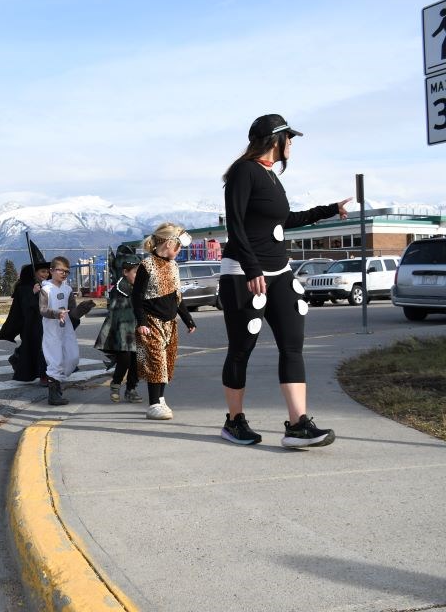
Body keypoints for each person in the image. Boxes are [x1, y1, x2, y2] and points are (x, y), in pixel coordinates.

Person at [219, 113, 351, 448]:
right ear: (274, 139)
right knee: (241, 348)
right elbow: (235, 225)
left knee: (292, 345)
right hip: (244, 275)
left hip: (280, 273)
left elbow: (285, 219)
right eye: (289, 138)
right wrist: (252, 270)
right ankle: (234, 421)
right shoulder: (243, 172)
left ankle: (298, 425)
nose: (292, 144)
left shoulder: (269, 175)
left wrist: (329, 210)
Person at [132, 222, 197, 420]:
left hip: (170, 323)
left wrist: (188, 319)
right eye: (178, 246)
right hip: (152, 322)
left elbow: (177, 297)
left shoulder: (173, 266)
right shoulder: (147, 265)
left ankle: (160, 399)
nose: (179, 251)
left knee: (167, 362)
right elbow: (137, 296)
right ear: (168, 243)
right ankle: (153, 404)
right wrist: (142, 322)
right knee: (156, 362)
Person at [0, 239, 51, 383]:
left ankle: (21, 360)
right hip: (31, 325)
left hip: (46, 323)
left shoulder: (49, 286)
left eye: (47, 271)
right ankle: (42, 374)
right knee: (35, 348)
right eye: (42, 271)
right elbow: (25, 307)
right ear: (35, 272)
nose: (45, 274)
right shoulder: (24, 288)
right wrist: (33, 293)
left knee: (42, 348)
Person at [95, 246, 143, 403]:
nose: (139, 276)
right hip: (123, 331)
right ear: (125, 272)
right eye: (136, 272)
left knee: (138, 361)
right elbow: (115, 313)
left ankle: (131, 389)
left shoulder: (141, 288)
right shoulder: (119, 289)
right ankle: (115, 384)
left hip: (139, 328)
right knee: (125, 360)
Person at [39, 256, 84, 405]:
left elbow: (73, 311)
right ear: (52, 271)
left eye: (67, 271)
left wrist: (83, 309)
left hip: (67, 330)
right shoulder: (45, 289)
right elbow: (43, 310)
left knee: (73, 358)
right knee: (55, 361)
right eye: (60, 270)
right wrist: (56, 314)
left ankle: (57, 382)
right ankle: (54, 394)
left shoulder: (68, 289)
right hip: (52, 331)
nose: (64, 274)